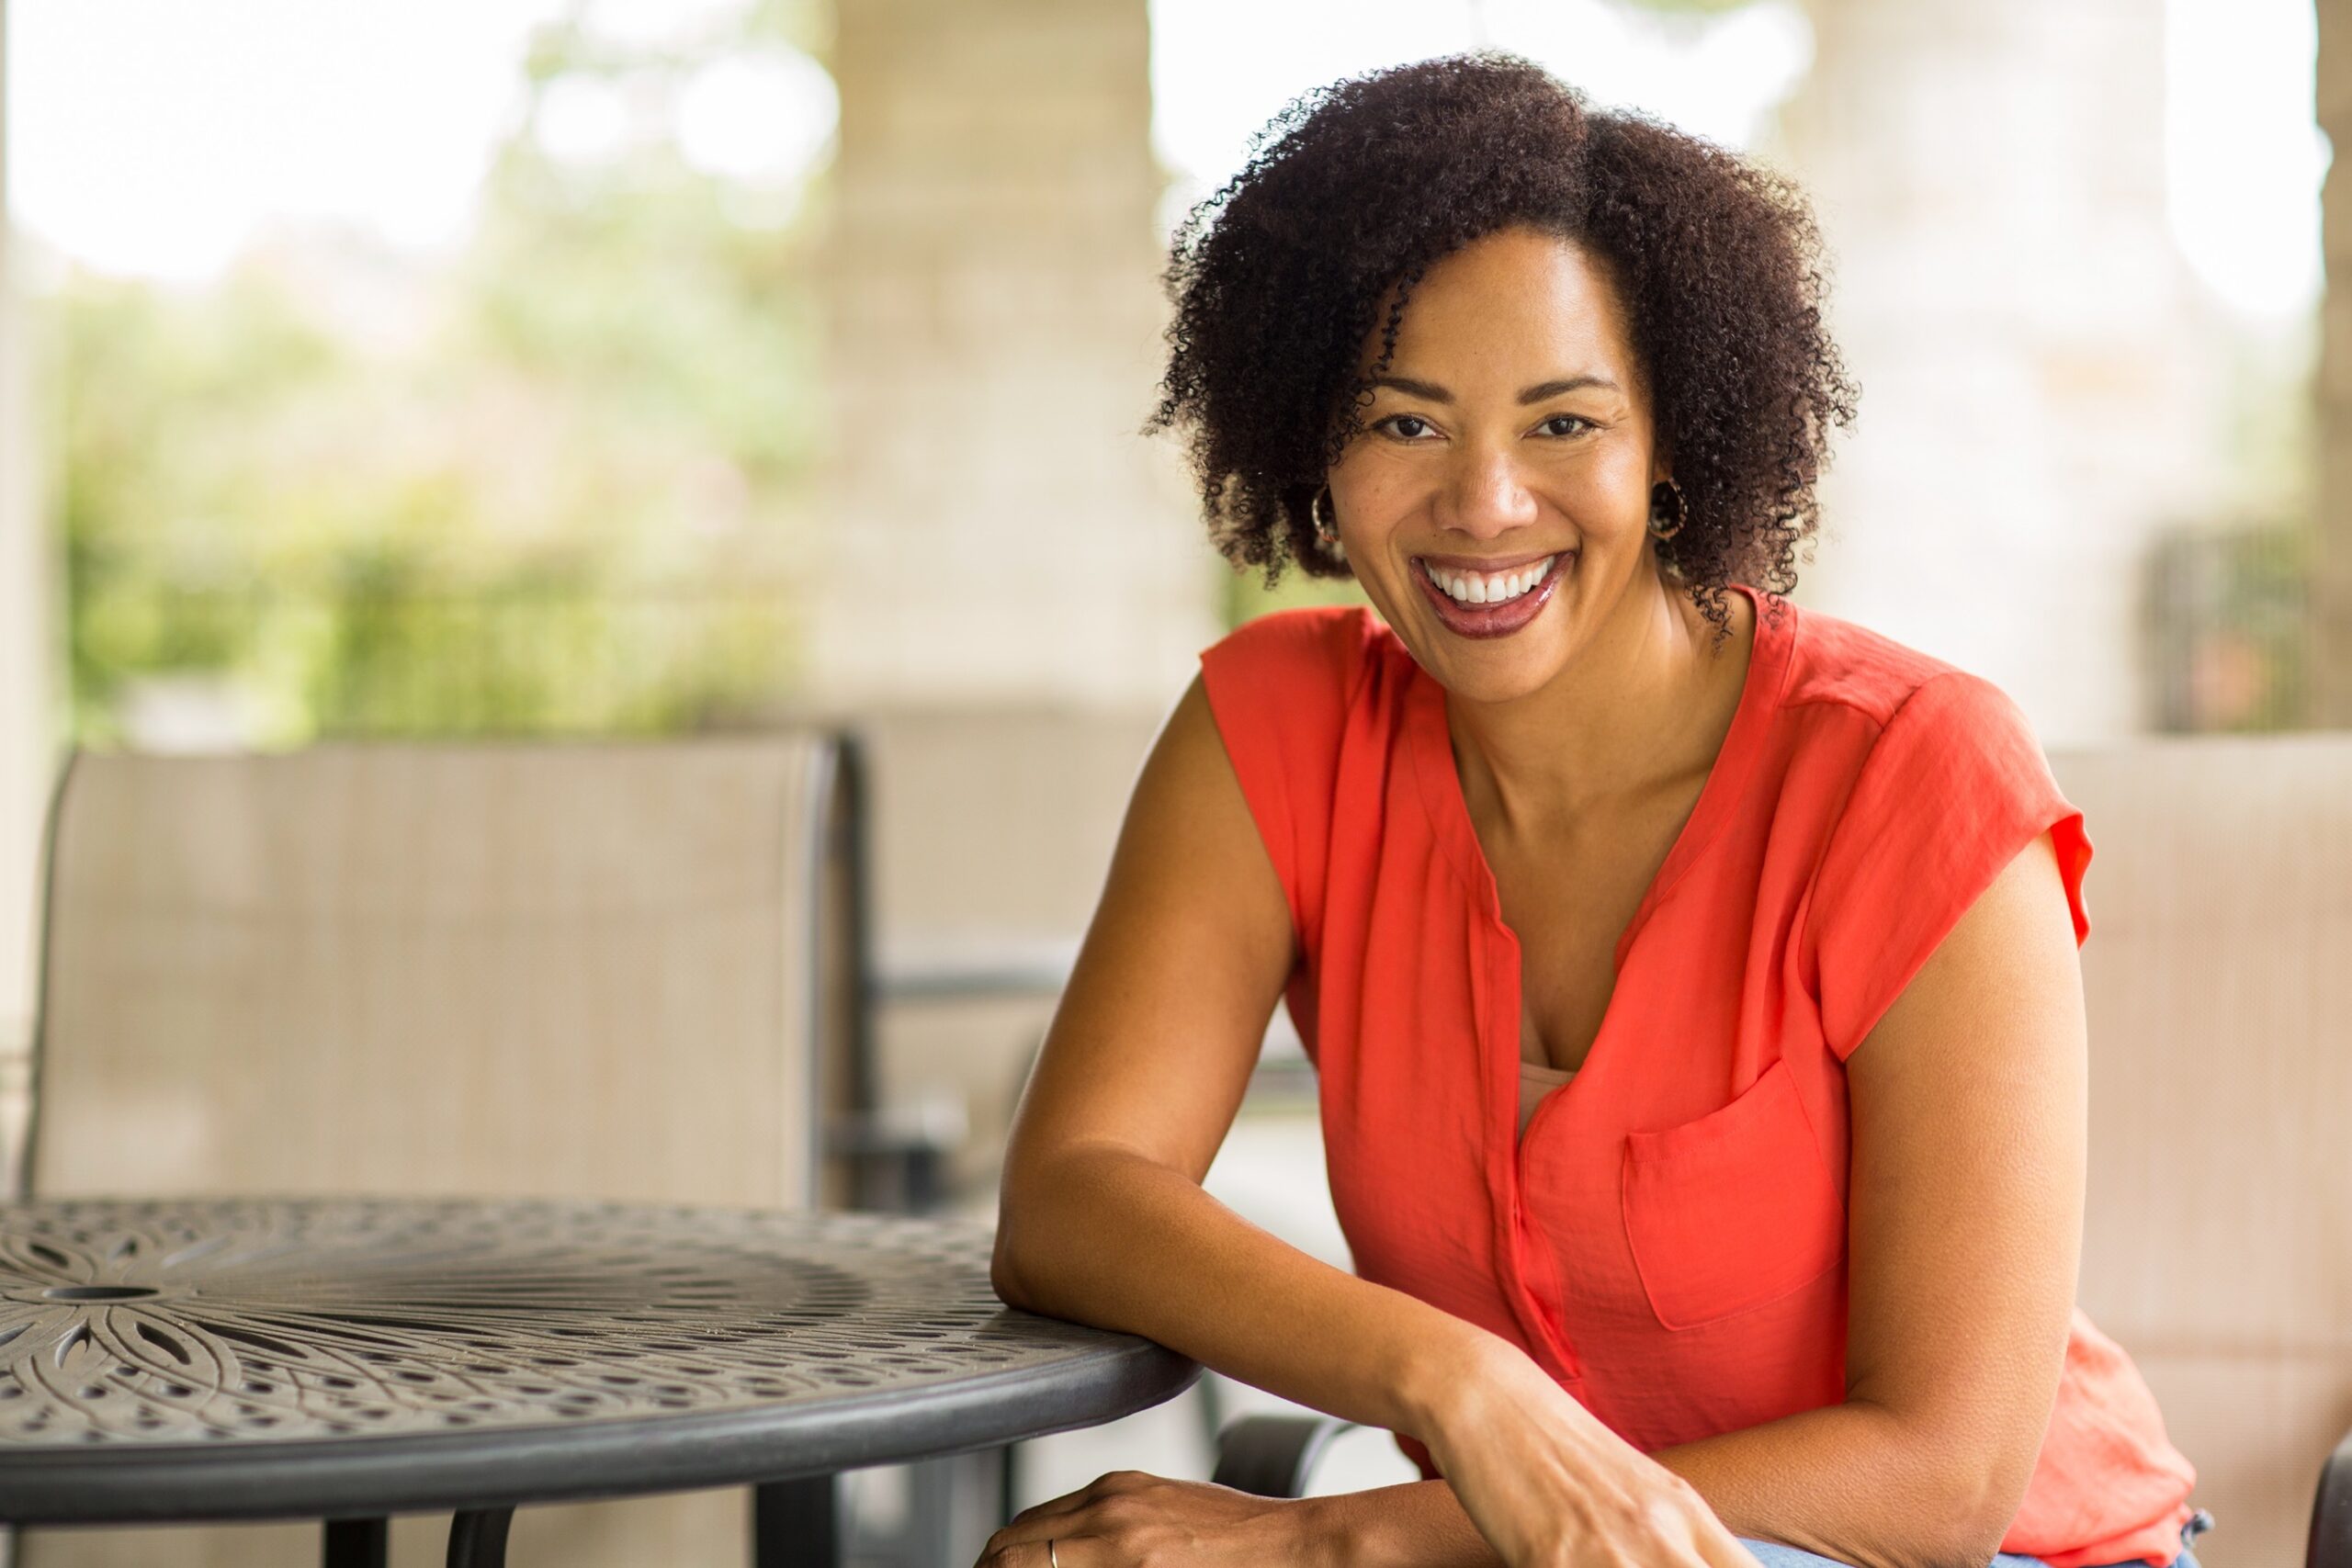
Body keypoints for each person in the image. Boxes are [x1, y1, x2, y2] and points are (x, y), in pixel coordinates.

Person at [979, 51, 2209, 1568]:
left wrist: (1337, 1539)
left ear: (1675, 439)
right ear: (1314, 443)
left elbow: (1941, 1484)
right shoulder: (1277, 732)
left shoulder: (1911, 776)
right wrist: (1457, 1384)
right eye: (1405, 424)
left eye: (1564, 423)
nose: (1485, 502)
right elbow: (1073, 1198)